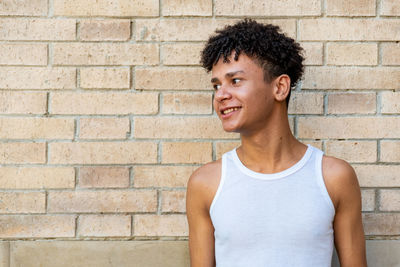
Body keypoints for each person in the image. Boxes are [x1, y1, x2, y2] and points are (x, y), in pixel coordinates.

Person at [185, 19, 367, 267]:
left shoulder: (334, 178)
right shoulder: (206, 184)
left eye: (235, 81)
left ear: (280, 87)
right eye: (216, 85)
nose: (220, 95)